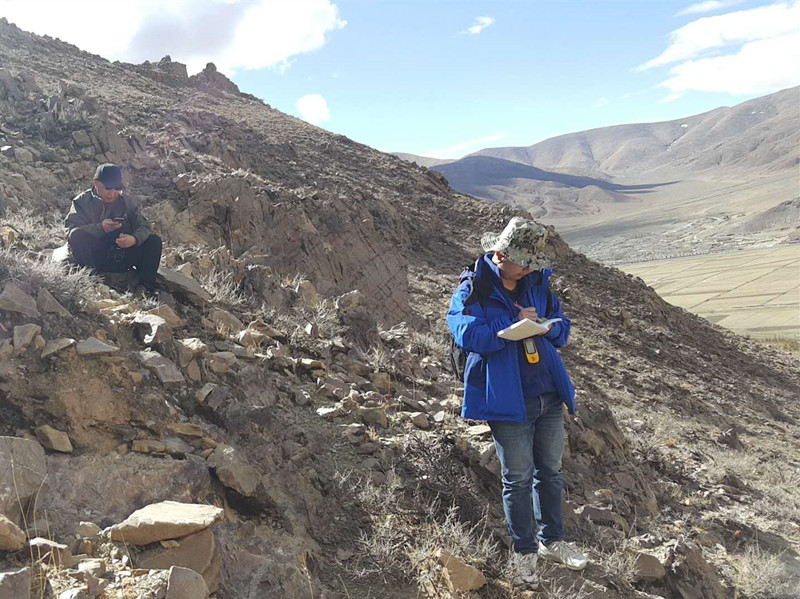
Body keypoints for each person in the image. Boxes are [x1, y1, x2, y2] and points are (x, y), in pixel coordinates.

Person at [446, 217, 588, 571]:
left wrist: (546, 326)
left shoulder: (537, 282)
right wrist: (509, 327)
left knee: (551, 473)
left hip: (548, 393)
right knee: (518, 478)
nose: (527, 270)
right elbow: (466, 333)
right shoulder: (473, 288)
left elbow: (563, 326)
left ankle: (553, 542)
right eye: (523, 262)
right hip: (507, 399)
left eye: (532, 263)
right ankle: (524, 552)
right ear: (500, 253)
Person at [64, 164, 162, 297]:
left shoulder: (126, 202)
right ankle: (93, 282)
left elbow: (144, 226)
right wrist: (100, 228)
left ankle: (145, 289)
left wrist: (133, 239)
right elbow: (71, 231)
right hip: (95, 257)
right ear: (96, 183)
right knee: (77, 236)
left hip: (122, 254)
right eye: (108, 188)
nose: (113, 193)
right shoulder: (82, 202)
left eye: (117, 188)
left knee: (153, 241)